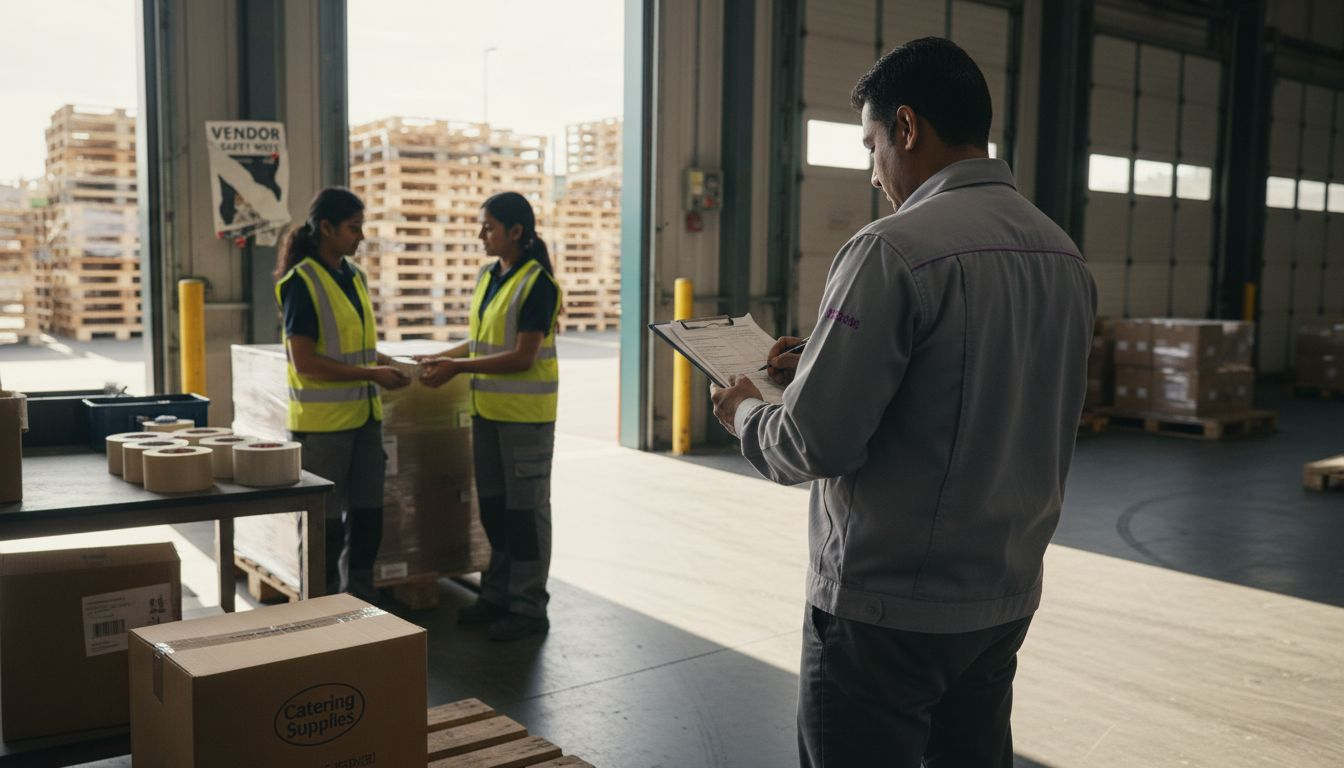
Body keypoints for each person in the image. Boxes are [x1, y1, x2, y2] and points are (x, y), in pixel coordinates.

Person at [709, 38, 1097, 767]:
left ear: (908, 127)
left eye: (871, 144)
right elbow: (982, 384)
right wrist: (821, 363)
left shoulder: (890, 249)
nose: (873, 172)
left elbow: (814, 444)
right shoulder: (1063, 256)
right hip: (1001, 599)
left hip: (886, 611)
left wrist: (747, 414)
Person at [417, 191, 562, 642]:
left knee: (525, 514)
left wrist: (456, 368)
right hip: (488, 413)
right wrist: (441, 356)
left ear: (516, 232)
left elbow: (522, 355)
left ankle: (528, 606)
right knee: (495, 512)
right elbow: (482, 343)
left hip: (525, 418)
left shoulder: (538, 283)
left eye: (489, 227)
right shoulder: (489, 276)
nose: (481, 234)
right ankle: (496, 594)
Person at [274, 186, 410, 601]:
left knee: (369, 517)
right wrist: (372, 374)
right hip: (323, 429)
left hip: (365, 420)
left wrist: (389, 364)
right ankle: (320, 604)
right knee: (325, 527)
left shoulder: (354, 277)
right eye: (353, 228)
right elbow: (306, 362)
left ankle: (363, 597)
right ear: (327, 228)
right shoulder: (302, 282)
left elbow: (357, 346)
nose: (361, 236)